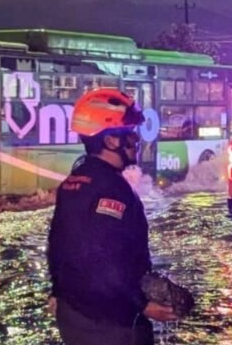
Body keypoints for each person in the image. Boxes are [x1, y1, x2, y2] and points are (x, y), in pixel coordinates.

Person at [47, 88, 179, 345]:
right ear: (110, 141)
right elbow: (103, 258)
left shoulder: (74, 182)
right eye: (129, 134)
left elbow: (58, 247)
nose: (136, 140)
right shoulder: (111, 189)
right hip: (109, 320)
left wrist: (57, 292)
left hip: (75, 311)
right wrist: (141, 304)